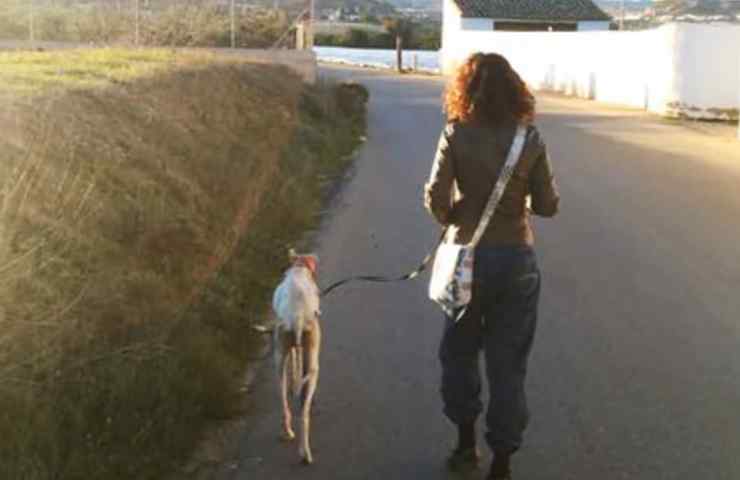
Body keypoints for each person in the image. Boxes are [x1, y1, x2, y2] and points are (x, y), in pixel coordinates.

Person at [424, 53, 560, 480]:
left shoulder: (454, 133)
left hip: (465, 260)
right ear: (515, 90)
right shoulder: (530, 138)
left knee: (459, 352)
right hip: (516, 260)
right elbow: (547, 206)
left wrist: (454, 220)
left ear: (465, 90)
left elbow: (435, 197)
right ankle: (502, 461)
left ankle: (466, 446)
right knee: (508, 363)